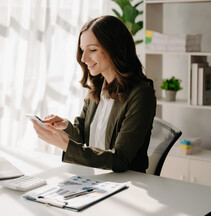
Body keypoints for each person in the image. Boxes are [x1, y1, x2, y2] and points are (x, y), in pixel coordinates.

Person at [32, 15, 156, 173]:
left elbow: (120, 160)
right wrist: (66, 126)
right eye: (83, 50)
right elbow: (83, 138)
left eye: (92, 50)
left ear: (114, 48)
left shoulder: (141, 94)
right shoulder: (97, 89)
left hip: (124, 185)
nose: (83, 58)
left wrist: (65, 145)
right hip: (95, 177)